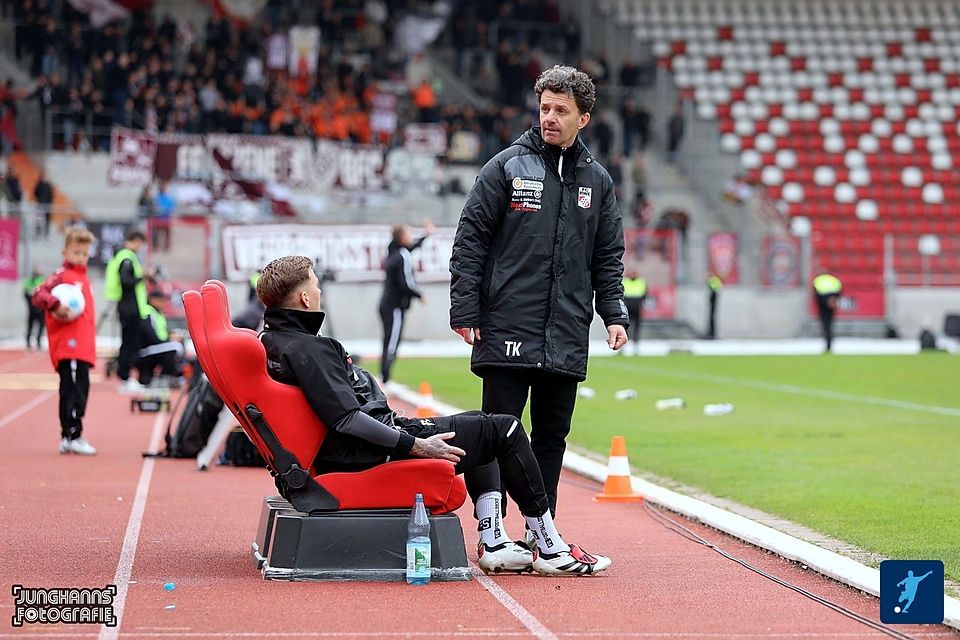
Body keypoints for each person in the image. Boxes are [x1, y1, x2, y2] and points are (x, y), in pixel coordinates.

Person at [257, 255, 611, 576]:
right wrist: (414, 445)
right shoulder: (308, 349)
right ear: (305, 298)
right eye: (315, 285)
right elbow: (346, 419)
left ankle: (495, 542)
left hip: (360, 443)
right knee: (504, 430)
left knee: (480, 427)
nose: (319, 291)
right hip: (365, 451)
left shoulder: (275, 340)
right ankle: (548, 546)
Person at [449, 65, 629, 523]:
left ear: (583, 118)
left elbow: (607, 255)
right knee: (496, 432)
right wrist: (465, 308)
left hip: (566, 328)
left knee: (552, 436)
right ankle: (491, 530)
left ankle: (539, 532)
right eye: (544, 108)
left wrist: (613, 313)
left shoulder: (599, 182)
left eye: (561, 110)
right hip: (507, 322)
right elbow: (470, 239)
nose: (549, 117)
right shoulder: (507, 165)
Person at [31, 227, 98, 455]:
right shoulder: (61, 276)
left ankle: (73, 434)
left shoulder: (83, 277)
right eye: (76, 252)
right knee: (72, 390)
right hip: (69, 346)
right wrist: (56, 304)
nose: (81, 257)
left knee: (82, 388)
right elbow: (38, 294)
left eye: (84, 253)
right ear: (65, 251)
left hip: (83, 346)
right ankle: (71, 435)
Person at [378, 221, 433, 384]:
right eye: (409, 233)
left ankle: (384, 375)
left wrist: (427, 235)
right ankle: (385, 378)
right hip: (394, 307)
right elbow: (406, 283)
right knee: (392, 343)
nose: (411, 236)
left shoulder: (394, 251)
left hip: (387, 304)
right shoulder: (402, 255)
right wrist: (419, 294)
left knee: (389, 340)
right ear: (401, 237)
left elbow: (413, 246)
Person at [104, 229, 151, 391]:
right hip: (129, 307)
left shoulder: (123, 256)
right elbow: (126, 281)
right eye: (140, 243)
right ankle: (125, 377)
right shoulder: (127, 257)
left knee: (130, 342)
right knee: (129, 343)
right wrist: (142, 276)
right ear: (136, 240)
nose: (140, 247)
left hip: (127, 306)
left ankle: (126, 376)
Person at [134, 291, 184, 387]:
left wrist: (171, 337)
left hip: (154, 348)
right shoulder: (147, 312)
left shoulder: (158, 313)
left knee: (178, 343)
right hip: (143, 351)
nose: (164, 304)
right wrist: (169, 341)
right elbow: (150, 336)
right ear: (153, 300)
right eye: (161, 301)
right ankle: (166, 377)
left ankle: (173, 374)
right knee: (176, 347)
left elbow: (162, 332)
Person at [812, 269, 842, 352]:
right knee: (830, 323)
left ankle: (828, 343)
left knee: (825, 324)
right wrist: (833, 300)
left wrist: (825, 301)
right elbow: (839, 291)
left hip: (823, 304)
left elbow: (816, 294)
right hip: (832, 303)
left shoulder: (818, 280)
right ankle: (829, 342)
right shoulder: (833, 279)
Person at [622, 269, 647, 355]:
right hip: (627, 308)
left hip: (637, 308)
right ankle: (622, 347)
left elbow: (644, 295)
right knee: (625, 328)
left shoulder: (641, 282)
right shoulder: (625, 282)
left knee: (636, 327)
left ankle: (636, 347)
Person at [23, 267, 45, 350]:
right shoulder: (29, 281)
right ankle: (28, 342)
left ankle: (38, 342)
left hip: (40, 309)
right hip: (32, 308)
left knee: (41, 326)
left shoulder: (42, 280)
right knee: (30, 326)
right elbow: (25, 293)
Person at [33, 170, 53, 238]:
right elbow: (35, 193)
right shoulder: (39, 184)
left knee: (47, 220)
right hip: (40, 205)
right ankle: (38, 233)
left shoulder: (49, 185)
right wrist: (40, 199)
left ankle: (46, 233)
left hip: (47, 205)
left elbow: (51, 195)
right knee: (39, 220)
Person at [707, 275, 722, 339]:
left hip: (713, 299)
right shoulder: (716, 280)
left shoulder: (713, 280)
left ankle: (712, 334)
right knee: (712, 319)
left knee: (712, 319)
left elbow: (713, 286)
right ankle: (711, 333)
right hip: (713, 301)